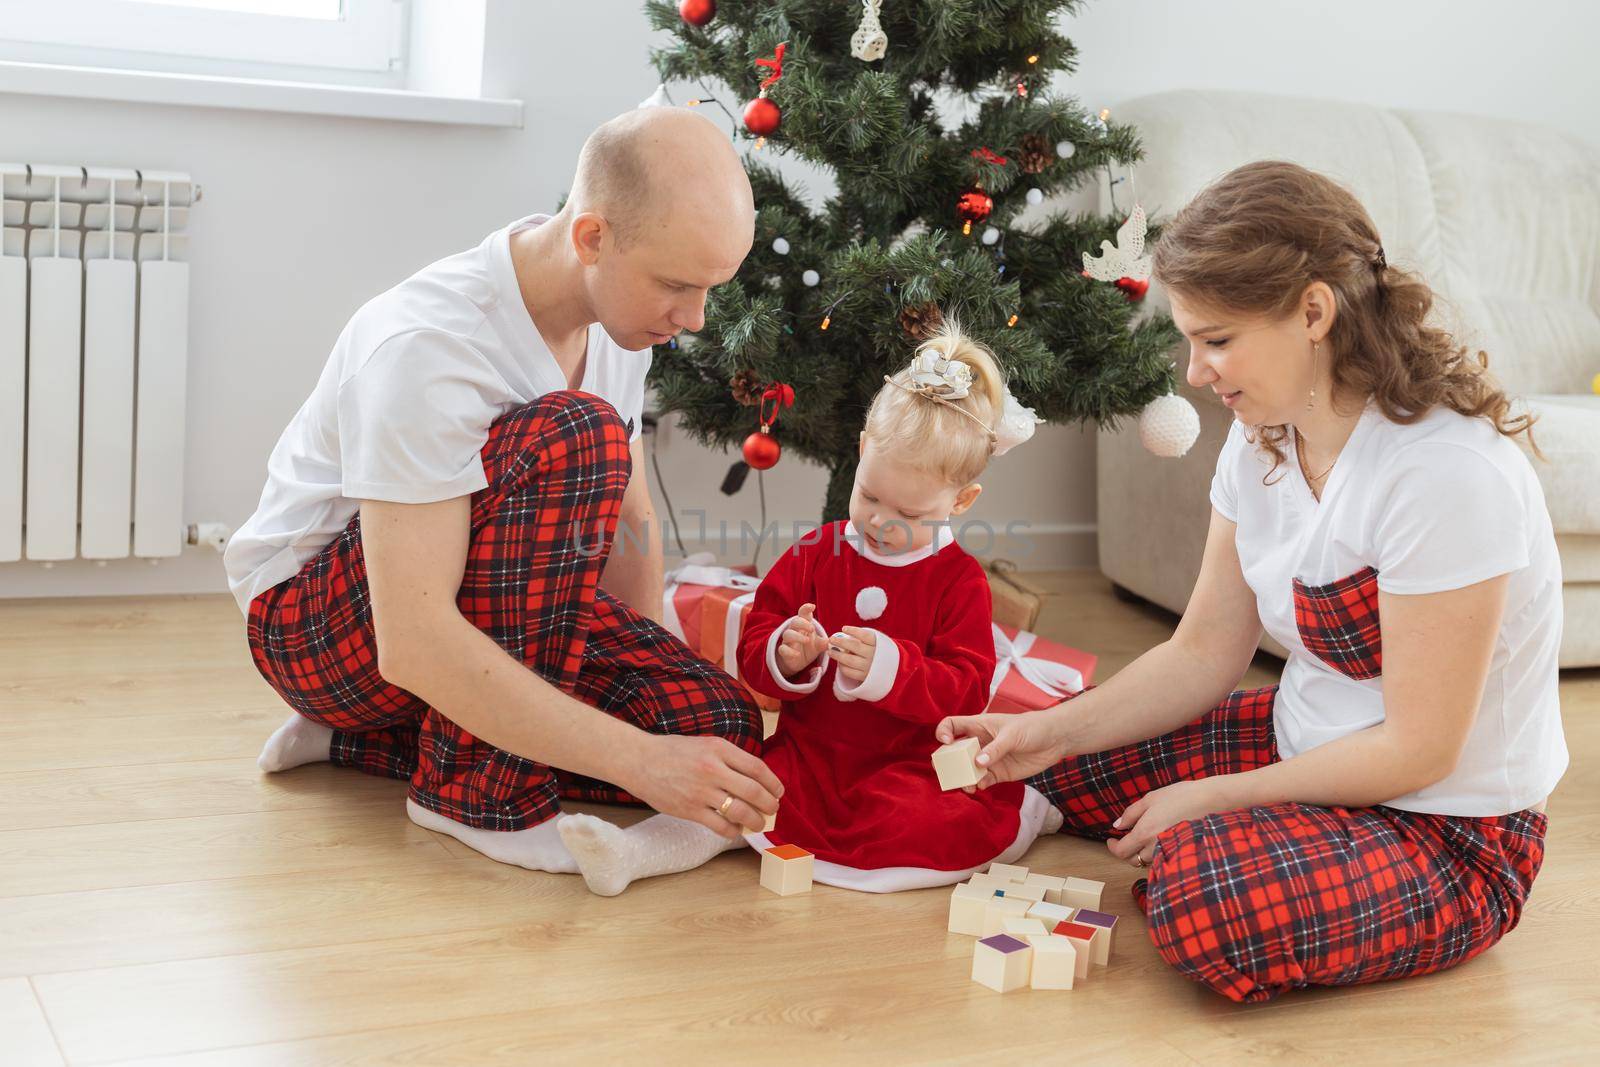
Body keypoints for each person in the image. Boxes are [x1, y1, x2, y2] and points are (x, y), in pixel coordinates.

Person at [938, 160, 1567, 1002]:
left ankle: (1258, 840)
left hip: (1447, 828)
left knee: (1202, 898)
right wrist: (1050, 733)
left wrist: (1213, 798)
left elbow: (1419, 749)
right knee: (1051, 765)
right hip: (1299, 740)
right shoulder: (1263, 436)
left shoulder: (1444, 474)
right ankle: (1256, 826)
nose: (1195, 372)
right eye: (1191, 339)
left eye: (1218, 340)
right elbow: (1202, 650)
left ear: (1315, 311)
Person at [224, 106, 782, 873]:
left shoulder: (618, 325)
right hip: (322, 634)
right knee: (574, 437)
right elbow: (414, 640)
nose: (693, 318)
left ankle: (369, 747)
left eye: (711, 289)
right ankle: (470, 795)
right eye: (678, 285)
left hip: (479, 617)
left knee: (719, 726)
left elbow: (629, 523)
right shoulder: (427, 346)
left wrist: (646, 682)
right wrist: (637, 763)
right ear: (593, 237)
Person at [558, 320, 1058, 895]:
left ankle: (1029, 813)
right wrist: (785, 653)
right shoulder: (818, 552)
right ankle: (633, 852)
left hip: (906, 765)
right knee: (746, 791)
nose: (880, 520)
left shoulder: (958, 580)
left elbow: (967, 691)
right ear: (863, 451)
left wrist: (889, 668)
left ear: (962, 501)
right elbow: (756, 641)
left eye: (913, 515)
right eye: (869, 495)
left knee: (915, 819)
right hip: (810, 753)